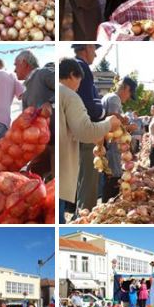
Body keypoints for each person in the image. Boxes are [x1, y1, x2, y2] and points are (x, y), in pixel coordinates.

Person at [58, 58, 119, 223]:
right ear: (72, 75)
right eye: (79, 81)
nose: (79, 86)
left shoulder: (54, 92)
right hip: (62, 168)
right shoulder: (69, 95)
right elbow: (85, 131)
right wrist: (109, 123)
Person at [72, 44, 106, 211]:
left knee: (82, 178)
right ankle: (85, 216)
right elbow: (88, 105)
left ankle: (79, 213)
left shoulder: (74, 66)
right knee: (88, 180)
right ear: (86, 47)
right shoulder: (82, 67)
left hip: (75, 131)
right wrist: (103, 113)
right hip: (86, 130)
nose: (96, 54)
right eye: (94, 49)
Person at [16, 50, 55, 176]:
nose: (14, 69)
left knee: (58, 181)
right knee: (32, 173)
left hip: (55, 139)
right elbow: (26, 120)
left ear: (25, 63)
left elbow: (63, 86)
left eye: (16, 65)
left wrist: (51, 103)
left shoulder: (43, 73)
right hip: (41, 145)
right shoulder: (26, 92)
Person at [100, 76, 138, 201]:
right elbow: (113, 122)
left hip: (107, 146)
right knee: (113, 180)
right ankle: (109, 206)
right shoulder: (114, 99)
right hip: (112, 147)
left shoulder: (108, 97)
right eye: (129, 94)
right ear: (125, 88)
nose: (127, 99)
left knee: (110, 179)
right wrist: (127, 126)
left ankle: (107, 204)